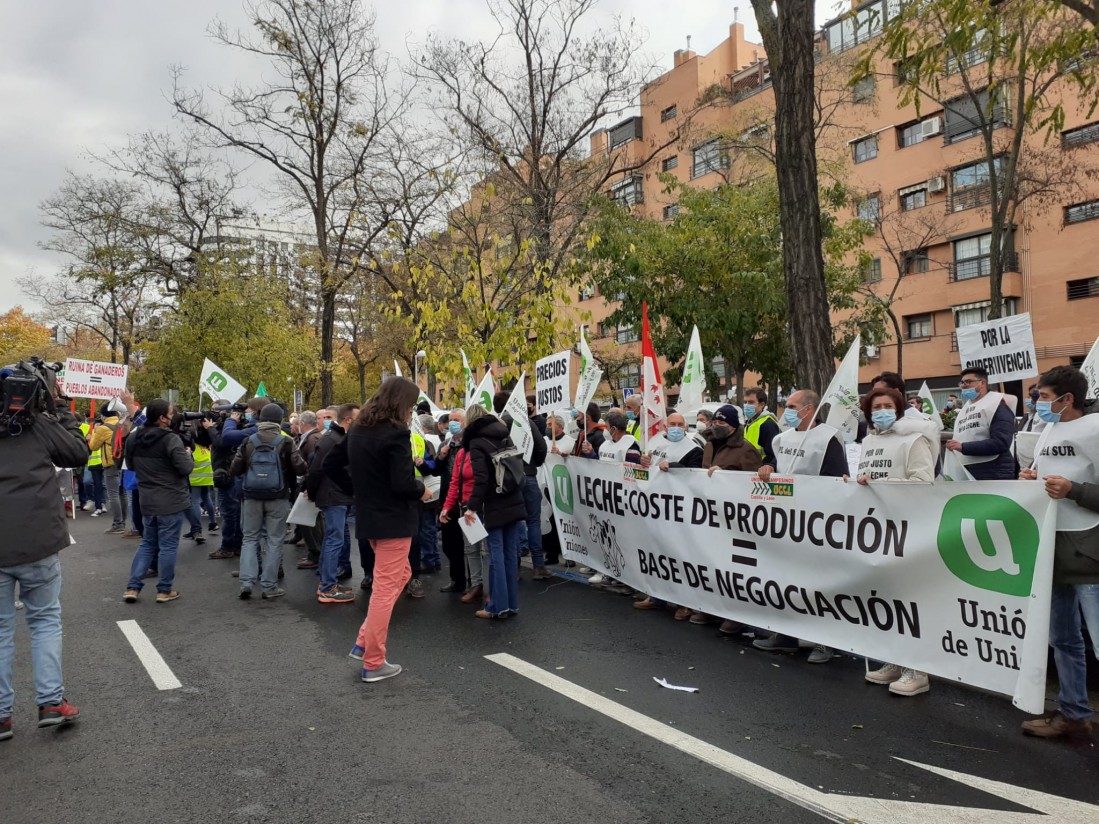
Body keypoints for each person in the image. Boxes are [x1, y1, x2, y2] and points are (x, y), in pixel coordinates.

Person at [1, 397, 90, 738]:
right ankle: (51, 702)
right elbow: (77, 453)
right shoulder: (36, 424)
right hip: (37, 540)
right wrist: (63, 413)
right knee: (44, 622)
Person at [1019, 366, 1099, 739]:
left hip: (1090, 555)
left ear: (1068, 399)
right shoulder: (1048, 430)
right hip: (1052, 549)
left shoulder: (1096, 429)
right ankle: (1073, 712)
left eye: (1044, 396)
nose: (1038, 403)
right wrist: (1031, 483)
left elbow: (1076, 489)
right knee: (1063, 639)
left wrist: (1073, 490)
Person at [342, 378, 428, 682]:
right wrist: (422, 490)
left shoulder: (358, 429)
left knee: (400, 577)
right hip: (393, 519)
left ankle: (364, 642)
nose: (413, 411)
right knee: (385, 589)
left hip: (371, 517)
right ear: (402, 403)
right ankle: (374, 661)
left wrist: (359, 493)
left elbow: (334, 466)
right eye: (412, 405)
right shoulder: (395, 433)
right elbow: (403, 483)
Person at [856, 386, 937, 696]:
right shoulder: (869, 441)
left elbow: (923, 482)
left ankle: (919, 670)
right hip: (879, 528)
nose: (882, 410)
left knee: (909, 600)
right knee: (887, 598)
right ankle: (896, 661)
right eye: (877, 406)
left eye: (889, 405)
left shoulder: (915, 440)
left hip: (909, 528)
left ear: (900, 409)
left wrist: (878, 484)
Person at [754, 390, 847, 662]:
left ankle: (825, 642)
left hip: (817, 523)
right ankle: (786, 637)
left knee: (818, 585)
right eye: (786, 405)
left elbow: (836, 478)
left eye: (792, 406)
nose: (787, 410)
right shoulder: (782, 438)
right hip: (785, 523)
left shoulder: (828, 438)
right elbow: (774, 462)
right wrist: (767, 467)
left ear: (809, 409)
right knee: (786, 582)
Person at [231, 403, 308, 600]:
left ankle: (246, 583)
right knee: (274, 541)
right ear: (280, 420)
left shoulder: (249, 440)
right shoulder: (287, 441)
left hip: (251, 497)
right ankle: (269, 586)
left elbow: (235, 469)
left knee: (249, 539)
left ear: (260, 418)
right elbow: (300, 469)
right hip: (278, 496)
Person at [122, 400, 194, 604]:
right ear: (162, 417)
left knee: (147, 544)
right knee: (168, 546)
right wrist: (188, 456)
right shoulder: (171, 439)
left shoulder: (134, 437)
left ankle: (132, 588)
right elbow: (185, 468)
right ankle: (164, 590)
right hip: (171, 500)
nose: (174, 416)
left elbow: (131, 464)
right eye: (171, 413)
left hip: (147, 498)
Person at [462, 402, 528, 619]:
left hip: (493, 502)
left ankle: (497, 607)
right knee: (510, 553)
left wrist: (471, 508)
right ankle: (512, 604)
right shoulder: (504, 434)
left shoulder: (476, 441)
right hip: (513, 496)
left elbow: (481, 479)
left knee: (495, 554)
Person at [492, 391, 552, 581]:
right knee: (533, 520)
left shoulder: (495, 425)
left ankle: (513, 567)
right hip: (528, 474)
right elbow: (541, 445)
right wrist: (535, 463)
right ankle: (538, 566)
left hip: (506, 479)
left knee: (512, 522)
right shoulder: (524, 421)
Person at [306, 403, 359, 604]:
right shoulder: (332, 440)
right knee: (334, 539)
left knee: (332, 538)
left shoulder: (337, 438)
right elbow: (317, 469)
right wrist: (312, 492)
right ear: (348, 420)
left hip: (335, 495)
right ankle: (328, 587)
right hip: (333, 496)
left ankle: (327, 582)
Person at [441, 405, 489, 604]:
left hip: (485, 505)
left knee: (488, 549)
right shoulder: (461, 452)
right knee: (471, 549)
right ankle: (476, 585)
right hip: (466, 506)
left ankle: (492, 588)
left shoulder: (486, 446)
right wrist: (447, 506)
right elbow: (455, 482)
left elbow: (486, 479)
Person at [944, 367, 1016, 480]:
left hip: (994, 470)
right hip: (969, 469)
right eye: (962, 382)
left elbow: (1001, 442)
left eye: (968, 381)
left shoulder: (996, 405)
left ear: (982, 383)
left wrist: (963, 447)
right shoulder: (965, 408)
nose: (963, 385)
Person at [88, 397, 130, 534]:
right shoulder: (122, 424)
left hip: (110, 463)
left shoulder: (104, 428)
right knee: (122, 493)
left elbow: (93, 446)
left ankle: (118, 524)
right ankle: (123, 521)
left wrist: (94, 432)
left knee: (113, 494)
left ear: (104, 415)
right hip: (122, 463)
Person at [436, 409, 467, 593]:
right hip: (447, 500)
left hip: (464, 500)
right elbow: (436, 470)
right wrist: (441, 456)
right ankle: (457, 580)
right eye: (451, 420)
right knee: (449, 544)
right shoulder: (445, 444)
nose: (453, 423)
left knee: (469, 545)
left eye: (457, 420)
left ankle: (473, 582)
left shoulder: (469, 444)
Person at [294, 411, 325, 570]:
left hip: (309, 486)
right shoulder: (315, 437)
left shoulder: (312, 439)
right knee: (313, 521)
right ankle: (317, 553)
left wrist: (309, 487)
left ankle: (316, 554)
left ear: (303, 424)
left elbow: (313, 466)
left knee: (309, 522)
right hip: (312, 485)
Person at [702, 405, 763, 477]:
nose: (716, 426)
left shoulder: (746, 450)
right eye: (714, 422)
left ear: (733, 426)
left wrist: (724, 474)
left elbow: (754, 479)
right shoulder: (708, 445)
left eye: (721, 422)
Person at [183, 418, 217, 545]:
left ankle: (196, 529)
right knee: (207, 498)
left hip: (195, 476)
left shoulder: (192, 443)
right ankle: (213, 523)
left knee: (195, 501)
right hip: (208, 475)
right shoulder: (207, 442)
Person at [741, 388, 781, 467]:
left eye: (751, 402)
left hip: (762, 473)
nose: (746, 405)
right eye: (745, 402)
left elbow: (774, 454)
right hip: (749, 471)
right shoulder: (748, 423)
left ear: (762, 404)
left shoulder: (768, 424)